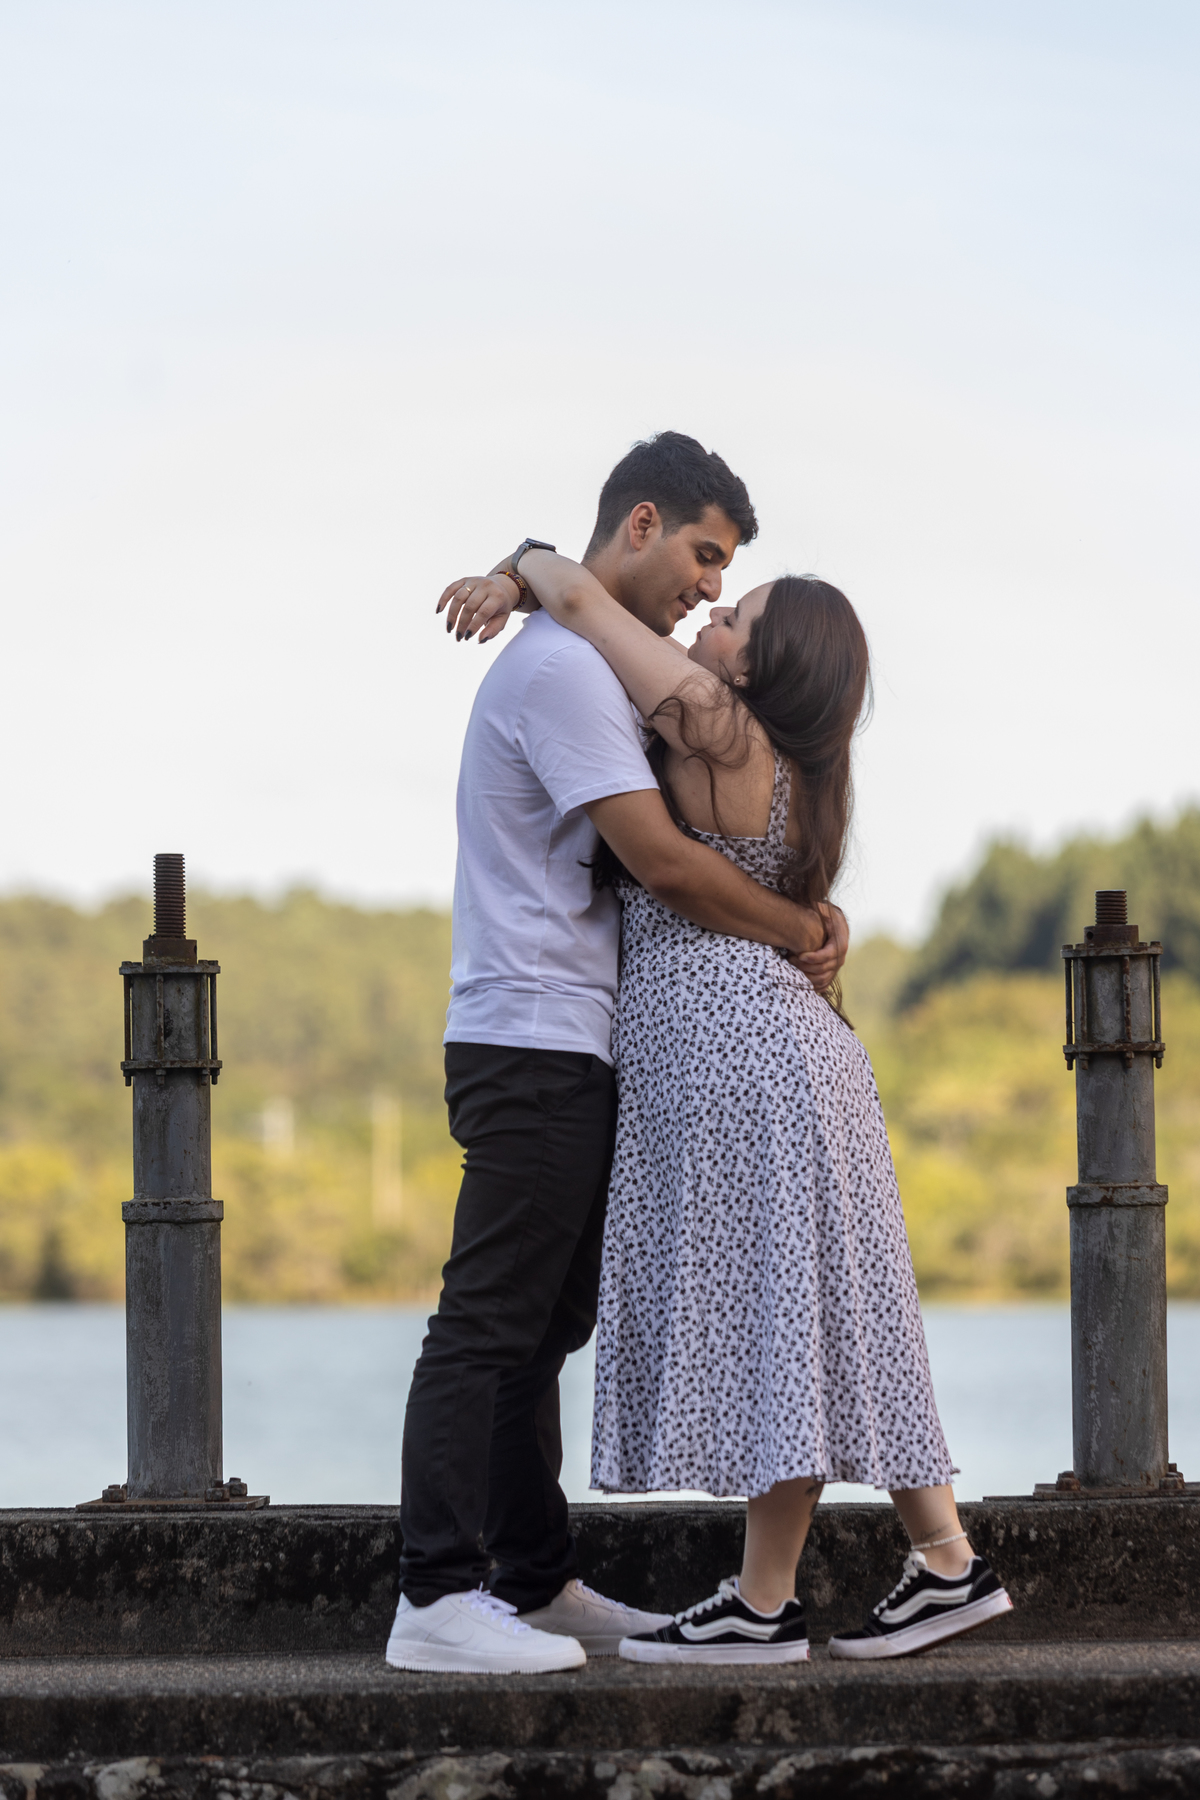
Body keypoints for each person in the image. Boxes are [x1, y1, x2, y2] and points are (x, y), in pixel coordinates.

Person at [443, 547, 1013, 1665]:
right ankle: (947, 1559)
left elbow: (582, 597)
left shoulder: (713, 721)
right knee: (842, 1311)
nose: (707, 621)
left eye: (734, 618)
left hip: (737, 1049)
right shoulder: (804, 769)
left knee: (779, 1316)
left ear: (759, 666)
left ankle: (763, 1603)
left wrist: (518, 566)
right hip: (797, 1054)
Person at [386, 433, 848, 1675]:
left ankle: (534, 1583)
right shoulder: (566, 674)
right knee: (490, 1321)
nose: (709, 586)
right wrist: (802, 926)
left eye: (726, 571)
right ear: (641, 524)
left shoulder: (592, 658)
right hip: (532, 1037)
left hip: (568, 1040)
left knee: (542, 1328)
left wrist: (522, 563)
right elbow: (663, 863)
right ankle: (435, 1596)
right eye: (705, 553)